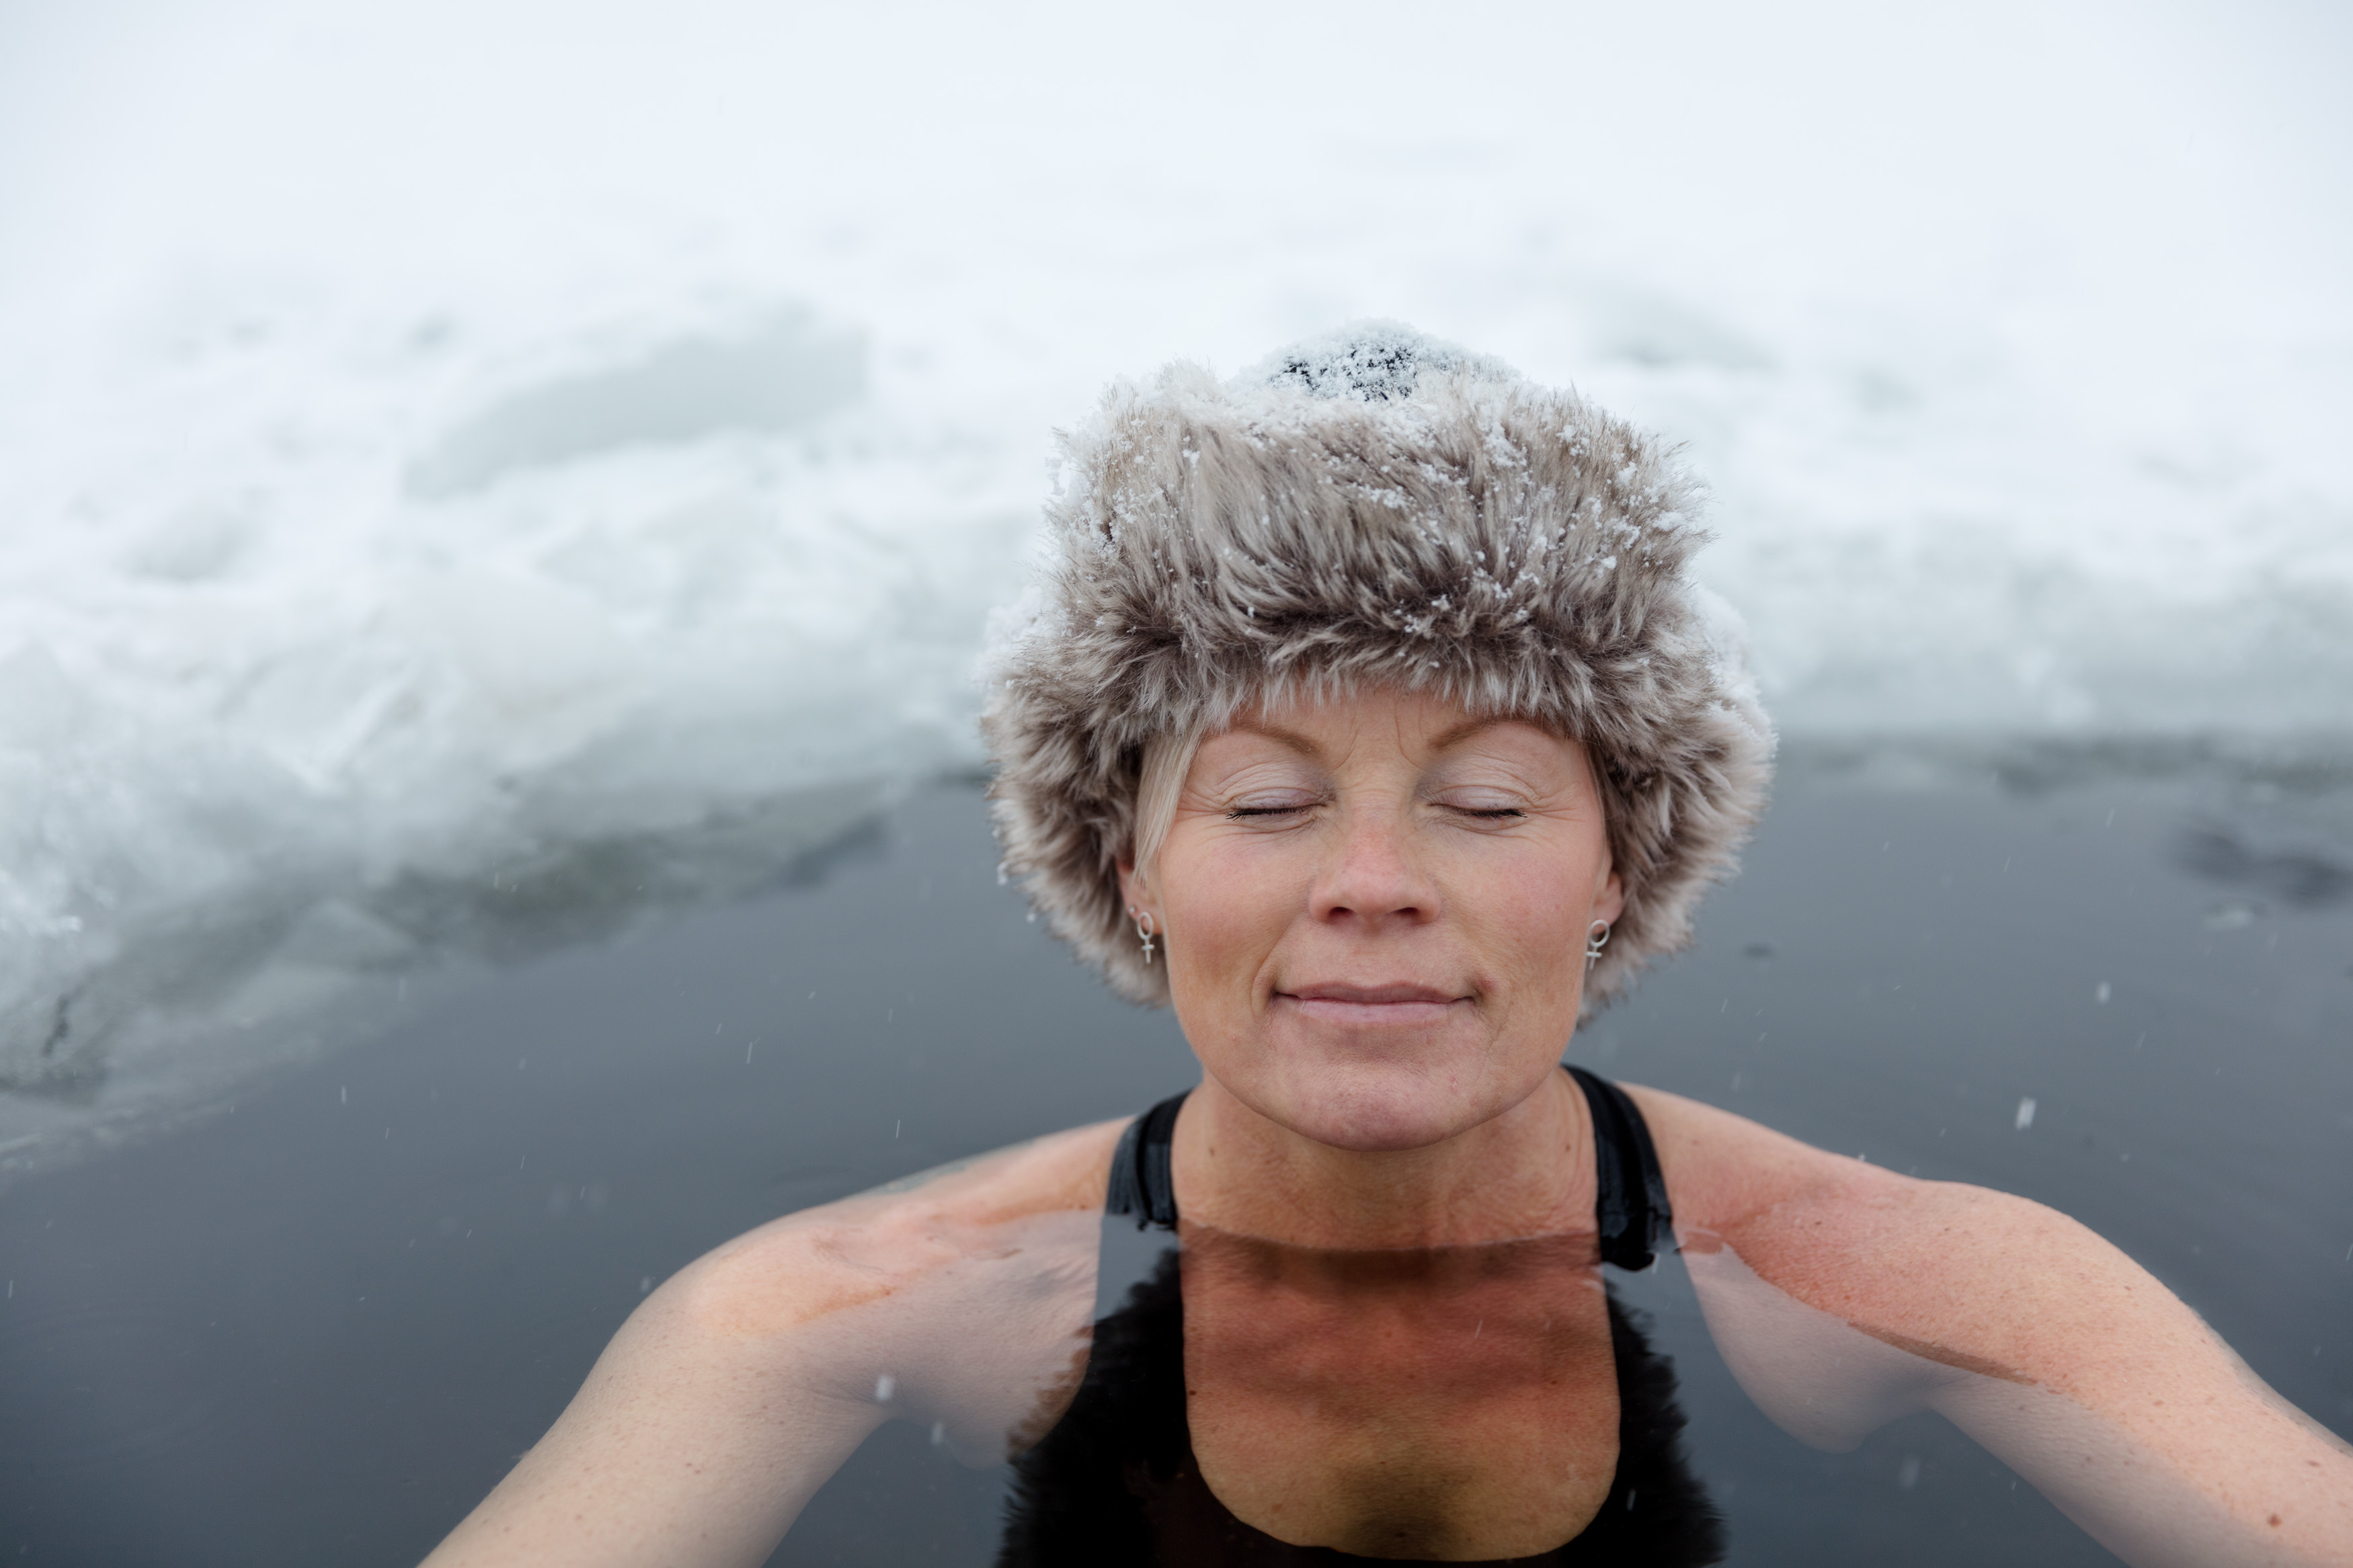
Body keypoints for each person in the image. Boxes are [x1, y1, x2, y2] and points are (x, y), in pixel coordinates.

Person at [420, 325, 2352, 1567]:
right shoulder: (832, 1307)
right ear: (1132, 861)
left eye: (1487, 802)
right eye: (1263, 804)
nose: (1370, 879)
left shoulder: (1897, 1286)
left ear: (1618, 861)